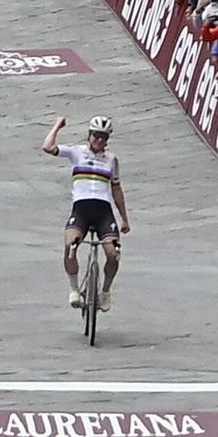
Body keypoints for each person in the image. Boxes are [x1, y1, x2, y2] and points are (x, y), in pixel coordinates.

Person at [43, 116, 130, 312]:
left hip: (103, 213)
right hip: (81, 211)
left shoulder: (112, 160)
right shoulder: (76, 152)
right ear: (89, 134)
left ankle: (105, 291)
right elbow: (48, 147)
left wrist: (125, 219)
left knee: (114, 254)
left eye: (104, 137)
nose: (99, 140)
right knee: (70, 246)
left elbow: (116, 189)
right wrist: (58, 126)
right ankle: (74, 289)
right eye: (96, 135)